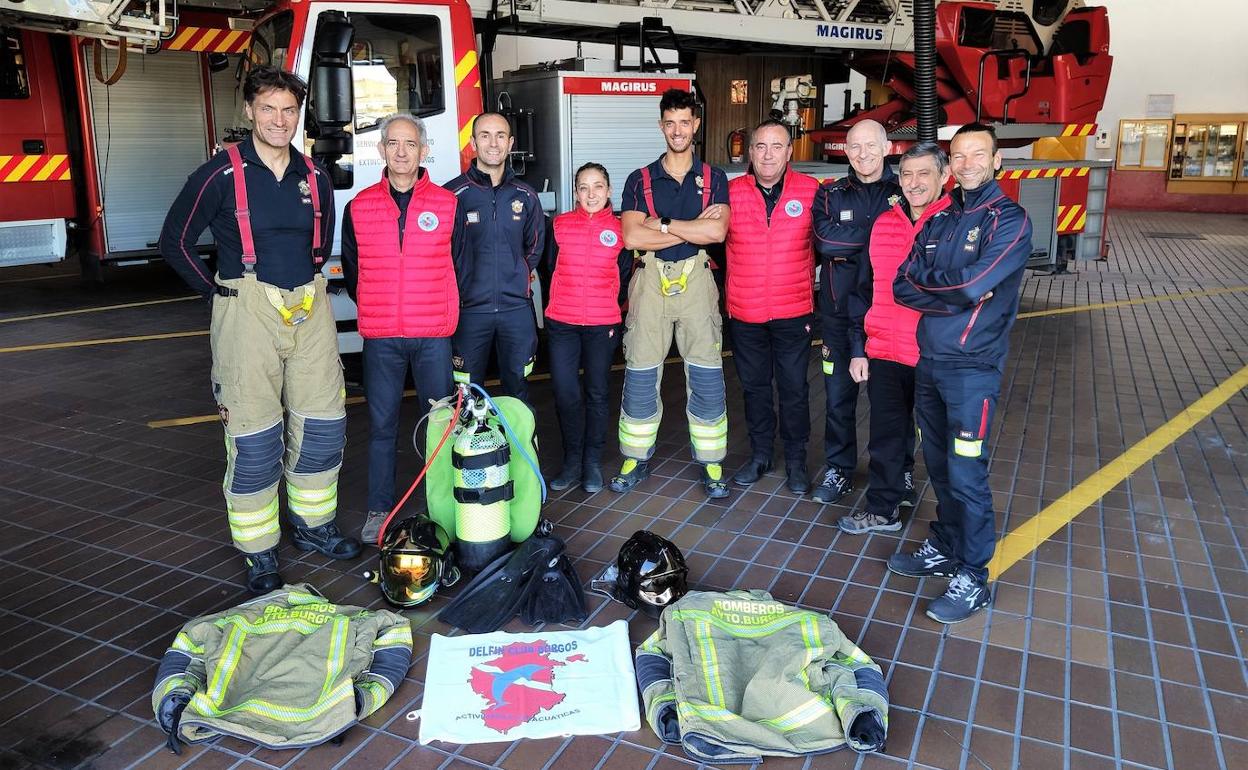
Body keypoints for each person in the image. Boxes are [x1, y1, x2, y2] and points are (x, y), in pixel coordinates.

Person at [158, 65, 358, 593]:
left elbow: (321, 245)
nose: (279, 120)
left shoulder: (314, 177)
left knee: (322, 423)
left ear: (299, 115)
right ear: (249, 111)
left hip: (309, 308)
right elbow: (173, 241)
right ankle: (260, 551)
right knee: (254, 437)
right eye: (268, 108)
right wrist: (221, 294)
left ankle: (313, 526)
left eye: (289, 110)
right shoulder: (219, 174)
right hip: (246, 311)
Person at [889, 123, 1033, 624]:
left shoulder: (1010, 220)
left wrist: (951, 288)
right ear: (951, 164)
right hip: (930, 364)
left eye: (979, 154)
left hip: (972, 371)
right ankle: (947, 546)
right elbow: (901, 285)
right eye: (960, 155)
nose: (969, 162)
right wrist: (954, 289)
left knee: (967, 473)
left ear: (997, 162)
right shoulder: (940, 219)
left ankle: (973, 574)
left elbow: (975, 284)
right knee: (939, 464)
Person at [341, 113, 463, 544]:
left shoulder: (448, 204)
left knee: (440, 425)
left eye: (410, 144)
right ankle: (379, 509)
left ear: (424, 150)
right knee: (382, 426)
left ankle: (442, 508)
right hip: (382, 338)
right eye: (392, 144)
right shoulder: (359, 208)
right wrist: (382, 306)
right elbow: (354, 273)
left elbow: (459, 266)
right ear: (380, 151)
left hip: (433, 335)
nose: (401, 151)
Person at [610, 89, 731, 499]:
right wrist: (686, 224)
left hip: (698, 280)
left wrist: (659, 224)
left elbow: (715, 232)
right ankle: (635, 457)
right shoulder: (639, 179)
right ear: (661, 125)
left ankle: (712, 462)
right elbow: (630, 236)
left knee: (706, 370)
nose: (677, 130)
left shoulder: (715, 178)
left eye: (685, 122)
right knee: (642, 371)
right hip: (648, 281)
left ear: (695, 125)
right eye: (670, 122)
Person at [838, 142, 952, 535]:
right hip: (885, 349)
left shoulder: (954, 224)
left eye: (924, 174)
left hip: (934, 355)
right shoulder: (884, 223)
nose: (915, 183)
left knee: (940, 446)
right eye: (907, 174)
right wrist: (858, 347)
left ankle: (950, 528)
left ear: (944, 177)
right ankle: (884, 508)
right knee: (885, 438)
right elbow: (864, 290)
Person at [812, 119, 905, 505]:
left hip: (893, 314)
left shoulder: (906, 190)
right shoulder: (830, 195)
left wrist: (855, 242)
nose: (863, 154)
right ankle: (840, 468)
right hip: (836, 313)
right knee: (837, 397)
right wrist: (884, 237)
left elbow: (916, 239)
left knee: (897, 402)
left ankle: (899, 473)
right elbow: (824, 240)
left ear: (887, 148)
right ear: (845, 151)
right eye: (854, 147)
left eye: (871, 145)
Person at [723, 119, 819, 494]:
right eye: (760, 146)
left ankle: (796, 461)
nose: (768, 154)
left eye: (776, 146)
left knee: (794, 388)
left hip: (794, 311)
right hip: (745, 312)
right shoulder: (730, 193)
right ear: (750, 152)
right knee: (754, 388)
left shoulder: (811, 191)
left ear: (790, 151)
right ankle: (761, 454)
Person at [544, 163, 632, 494]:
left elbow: (624, 276)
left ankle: (591, 463)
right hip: (563, 323)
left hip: (602, 324)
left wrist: (605, 303)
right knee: (566, 393)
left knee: (597, 393)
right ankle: (571, 461)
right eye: (583, 187)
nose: (591, 194)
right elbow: (549, 266)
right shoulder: (560, 226)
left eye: (598, 187)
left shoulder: (622, 229)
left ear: (609, 191)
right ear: (576, 192)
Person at [446, 112, 545, 401]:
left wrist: (517, 274)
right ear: (473, 143)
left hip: (516, 311)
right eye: (485, 135)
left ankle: (518, 447)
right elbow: (443, 250)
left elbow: (535, 246)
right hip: (469, 312)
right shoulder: (453, 195)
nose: (493, 143)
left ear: (510, 143)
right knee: (466, 393)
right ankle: (469, 447)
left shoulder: (525, 195)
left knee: (517, 390)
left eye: (500, 135)